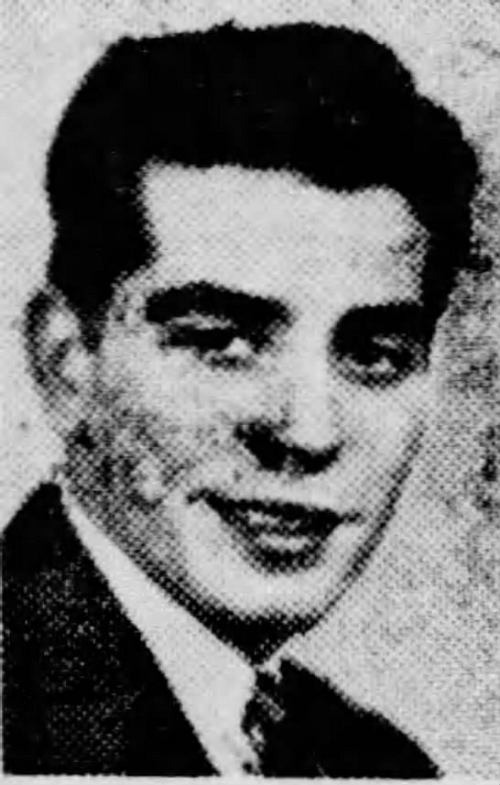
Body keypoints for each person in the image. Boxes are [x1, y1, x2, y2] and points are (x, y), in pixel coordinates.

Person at [2, 22, 480, 777]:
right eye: (222, 342)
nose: (308, 432)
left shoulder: (374, 765)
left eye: (374, 355)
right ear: (67, 364)